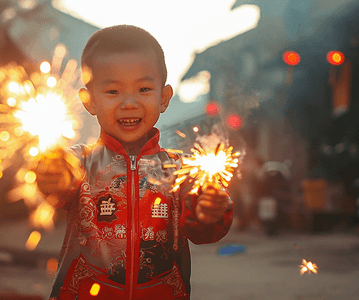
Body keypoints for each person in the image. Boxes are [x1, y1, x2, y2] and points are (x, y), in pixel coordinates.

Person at [36, 25, 233, 300]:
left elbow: (203, 232)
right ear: (89, 100)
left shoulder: (180, 170)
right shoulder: (78, 163)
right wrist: (50, 175)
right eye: (113, 92)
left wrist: (211, 210)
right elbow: (57, 188)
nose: (129, 103)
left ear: (163, 98)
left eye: (143, 89)